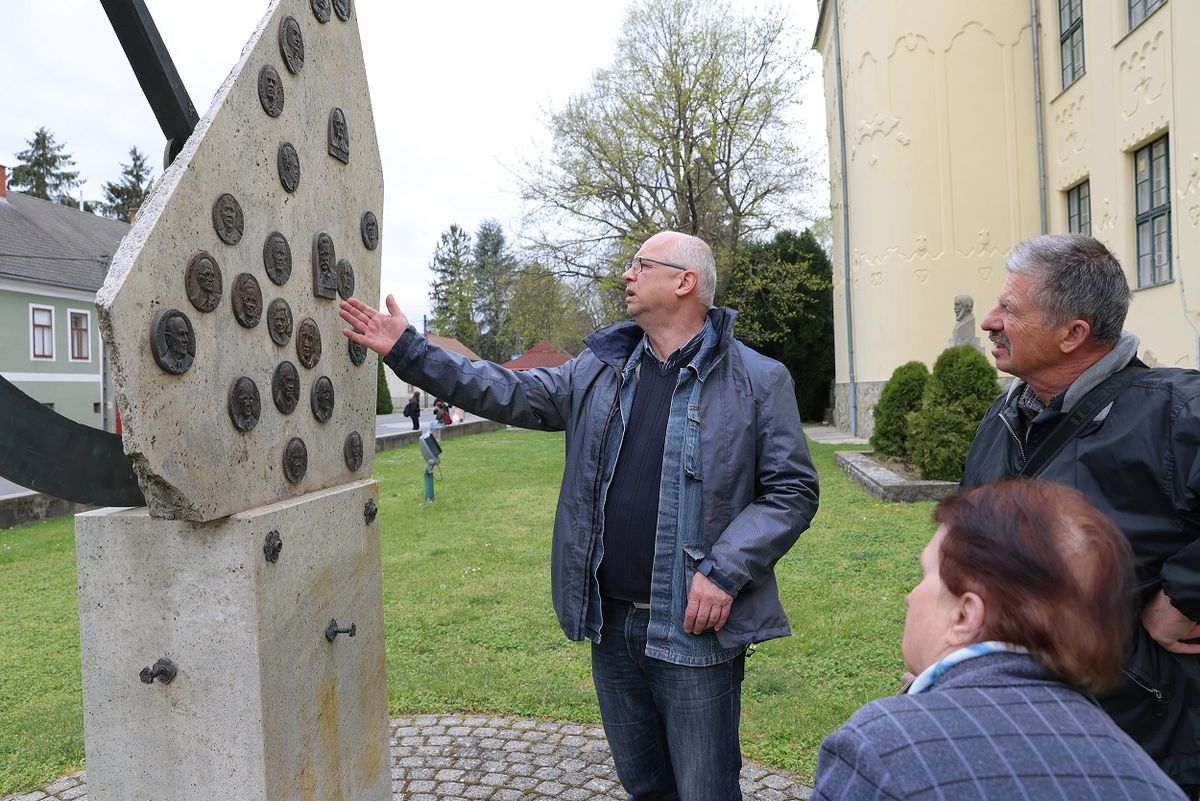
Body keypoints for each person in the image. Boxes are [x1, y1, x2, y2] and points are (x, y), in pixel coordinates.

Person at [340, 230, 819, 800]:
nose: (627, 275)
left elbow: (791, 490)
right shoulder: (598, 369)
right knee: (644, 786)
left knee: (706, 790)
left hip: (693, 630)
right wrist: (408, 350)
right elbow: (504, 391)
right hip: (610, 623)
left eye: (642, 264)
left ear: (685, 282)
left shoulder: (757, 380)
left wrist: (725, 570)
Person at [960, 233, 1200, 795]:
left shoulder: (1177, 412)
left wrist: (1184, 597)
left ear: (1073, 334)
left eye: (1009, 310)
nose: (989, 321)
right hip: (1015, 723)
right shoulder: (1003, 415)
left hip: (1139, 739)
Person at [812, 481, 1186, 800]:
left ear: (965, 615)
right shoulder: (1152, 782)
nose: (911, 595)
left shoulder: (881, 749)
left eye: (925, 574)